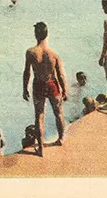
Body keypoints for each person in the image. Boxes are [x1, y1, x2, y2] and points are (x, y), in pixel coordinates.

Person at [22, 22, 68, 157]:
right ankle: (61, 139)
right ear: (47, 34)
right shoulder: (54, 54)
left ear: (35, 35)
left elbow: (27, 72)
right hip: (52, 84)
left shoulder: (30, 52)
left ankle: (41, 148)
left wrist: (24, 88)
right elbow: (60, 75)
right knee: (59, 113)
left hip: (38, 85)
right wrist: (65, 90)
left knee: (39, 116)